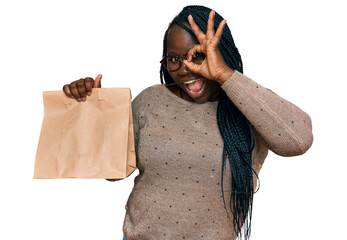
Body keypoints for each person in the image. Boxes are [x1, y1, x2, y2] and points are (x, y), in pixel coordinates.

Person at [62, 5, 313, 240]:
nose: (184, 69)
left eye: (197, 56)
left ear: (219, 53)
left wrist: (224, 74)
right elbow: (113, 172)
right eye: (174, 59)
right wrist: (95, 111)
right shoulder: (151, 100)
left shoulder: (248, 107)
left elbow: (298, 140)